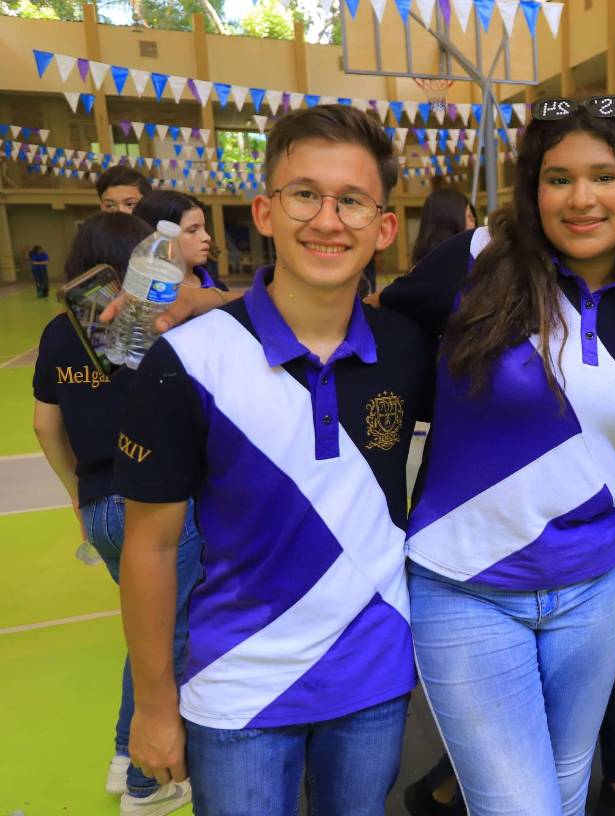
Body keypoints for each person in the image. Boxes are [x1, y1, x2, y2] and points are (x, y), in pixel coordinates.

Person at [113, 104, 436, 816]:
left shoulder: (409, 348)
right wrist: (155, 707)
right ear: (264, 210)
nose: (328, 220)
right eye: (304, 194)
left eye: (352, 200)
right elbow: (150, 544)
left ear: (384, 227)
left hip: (374, 680)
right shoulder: (187, 362)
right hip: (238, 689)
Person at [378, 94, 615, 816]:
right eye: (558, 178)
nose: (581, 199)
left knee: (564, 787)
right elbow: (367, 331)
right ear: (533, 187)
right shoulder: (477, 260)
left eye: (604, 176)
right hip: (466, 587)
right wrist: (224, 311)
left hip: (595, 589)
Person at [32, 212, 204, 815]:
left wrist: (77, 498)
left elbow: (45, 424)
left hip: (98, 504)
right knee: (161, 636)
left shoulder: (58, 334)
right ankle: (145, 786)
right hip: (151, 505)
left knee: (144, 630)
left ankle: (120, 756)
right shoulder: (149, 330)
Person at [132, 191, 228, 291]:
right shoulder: (145, 291)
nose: (207, 237)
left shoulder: (219, 289)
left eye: (204, 228)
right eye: (192, 230)